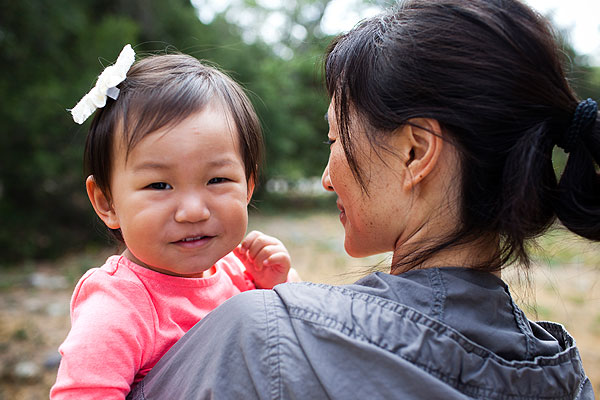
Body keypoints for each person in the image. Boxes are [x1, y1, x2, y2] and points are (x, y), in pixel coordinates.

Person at [128, 0, 597, 398]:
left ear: (415, 152)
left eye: (335, 139)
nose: (328, 178)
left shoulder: (267, 337)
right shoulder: (568, 378)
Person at [50, 45, 299, 399]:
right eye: (159, 185)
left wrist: (278, 284)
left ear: (248, 185)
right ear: (107, 203)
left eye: (217, 180)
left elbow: (288, 344)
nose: (193, 211)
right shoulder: (120, 306)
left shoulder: (238, 271)